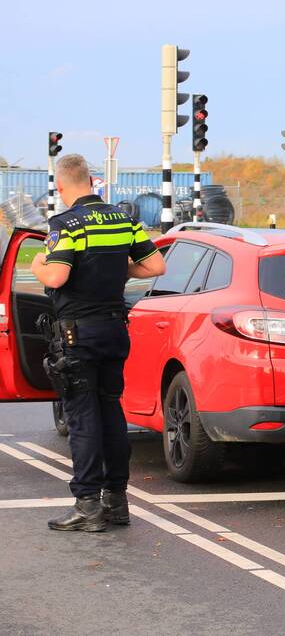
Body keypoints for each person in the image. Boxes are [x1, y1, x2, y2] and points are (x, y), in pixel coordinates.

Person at [30, 153, 166, 532]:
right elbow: (156, 266)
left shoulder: (65, 224)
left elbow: (56, 277)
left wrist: (37, 264)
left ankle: (87, 504)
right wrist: (117, 267)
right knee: (111, 413)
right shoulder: (124, 219)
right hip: (114, 330)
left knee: (83, 418)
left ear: (61, 186)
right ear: (91, 181)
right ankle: (116, 501)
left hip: (78, 335)